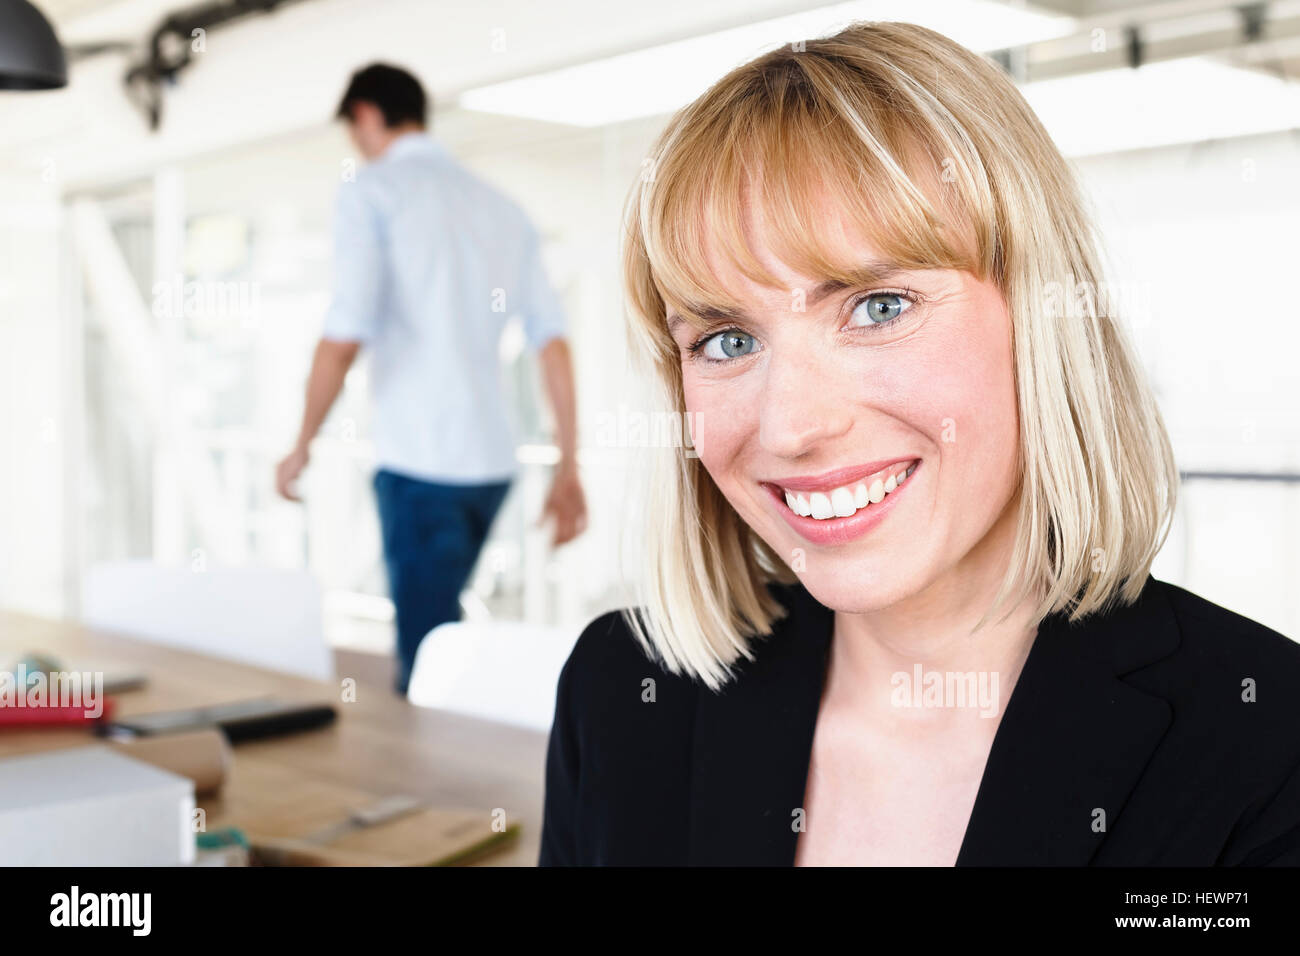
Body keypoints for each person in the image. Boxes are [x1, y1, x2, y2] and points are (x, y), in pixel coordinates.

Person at [539, 22, 1300, 865]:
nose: (791, 427)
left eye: (879, 307)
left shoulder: (1266, 746)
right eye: (727, 340)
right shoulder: (618, 692)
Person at [276, 63, 587, 696]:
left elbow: (345, 333)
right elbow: (551, 344)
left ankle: (430, 781)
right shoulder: (499, 208)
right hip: (491, 467)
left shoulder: (373, 192)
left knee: (423, 665)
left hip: (422, 461)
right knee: (442, 640)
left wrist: (302, 440)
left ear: (365, 115)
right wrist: (568, 467)